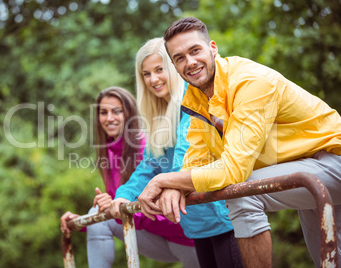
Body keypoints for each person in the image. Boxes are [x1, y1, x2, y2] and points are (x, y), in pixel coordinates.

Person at [137, 17, 341, 268]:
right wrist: (177, 185)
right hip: (304, 168)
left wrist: (163, 180)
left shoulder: (250, 82)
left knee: (242, 194)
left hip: (331, 160)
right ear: (174, 65)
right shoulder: (197, 98)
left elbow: (234, 169)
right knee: (329, 261)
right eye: (179, 58)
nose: (190, 62)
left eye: (195, 51)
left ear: (213, 48)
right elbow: (198, 156)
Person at [109, 37, 243, 268]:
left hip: (223, 215)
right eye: (146, 74)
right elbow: (149, 166)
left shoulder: (193, 99)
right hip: (195, 223)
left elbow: (187, 151)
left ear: (173, 67)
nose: (153, 79)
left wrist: (165, 183)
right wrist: (123, 195)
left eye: (159, 69)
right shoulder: (158, 116)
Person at [60, 86, 199, 268]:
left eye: (116, 111)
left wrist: (121, 210)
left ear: (130, 114)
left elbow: (168, 212)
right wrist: (84, 221)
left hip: (186, 238)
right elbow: (115, 211)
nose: (109, 118)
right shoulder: (108, 152)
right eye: (103, 112)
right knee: (94, 214)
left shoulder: (146, 148)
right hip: (156, 239)